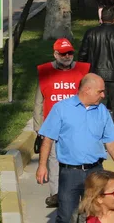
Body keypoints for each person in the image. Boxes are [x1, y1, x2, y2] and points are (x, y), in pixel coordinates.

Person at [36, 74, 114, 223]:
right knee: (66, 216)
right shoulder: (61, 109)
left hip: (95, 173)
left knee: (96, 214)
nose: (103, 95)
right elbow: (48, 139)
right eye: (100, 91)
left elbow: (111, 141)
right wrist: (42, 166)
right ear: (87, 90)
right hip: (70, 173)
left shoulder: (102, 111)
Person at [34, 38, 91, 208]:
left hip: (78, 127)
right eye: (63, 53)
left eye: (70, 53)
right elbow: (38, 102)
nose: (67, 56)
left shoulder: (83, 71)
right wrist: (38, 129)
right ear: (55, 54)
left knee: (80, 160)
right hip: (53, 128)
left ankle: (81, 195)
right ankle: (57, 195)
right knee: (54, 160)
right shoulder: (45, 72)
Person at [77, 7, 114, 143]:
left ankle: (96, 133)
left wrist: (80, 75)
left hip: (96, 77)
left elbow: (82, 55)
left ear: (101, 18)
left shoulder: (90, 33)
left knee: (96, 105)